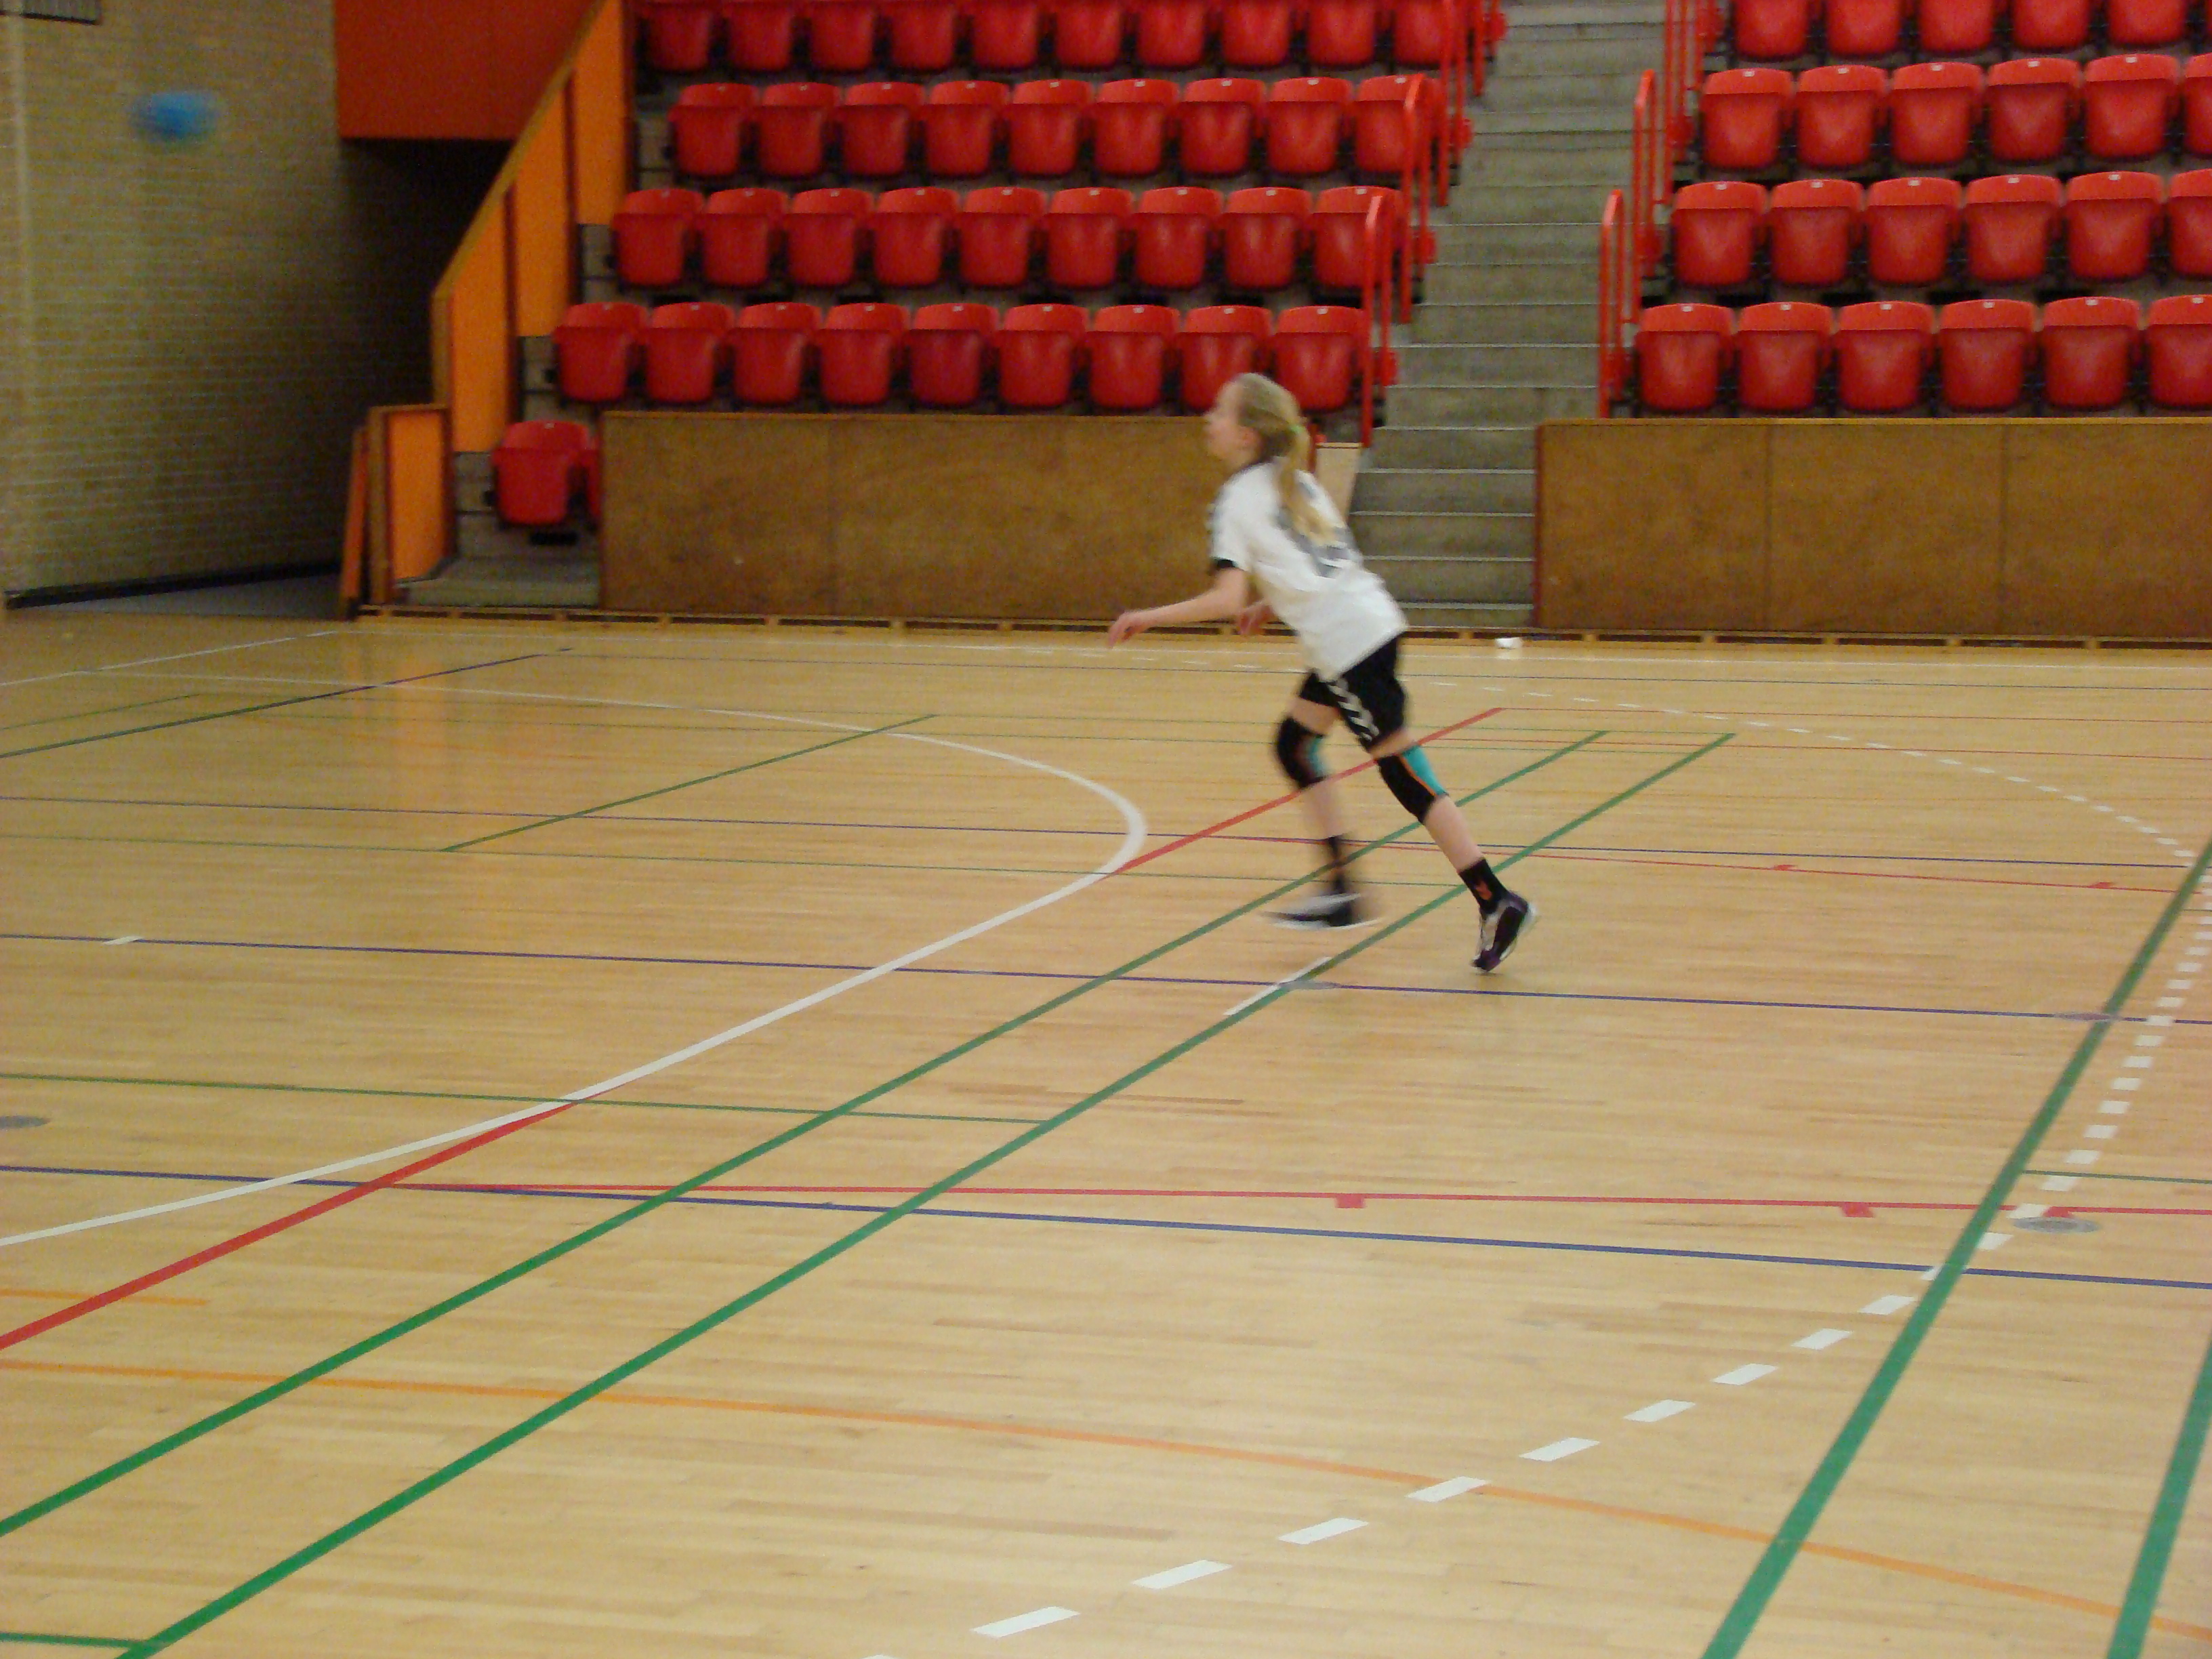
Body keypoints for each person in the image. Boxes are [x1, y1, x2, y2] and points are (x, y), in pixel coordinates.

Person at [1107, 373, 1533, 972]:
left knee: (1405, 773)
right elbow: (1319, 565)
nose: (1208, 419)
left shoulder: (1237, 499)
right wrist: (1270, 601)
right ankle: (1342, 887)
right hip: (1366, 625)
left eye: (1219, 411)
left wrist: (1148, 617)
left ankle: (1494, 897)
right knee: (1295, 744)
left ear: (1247, 434)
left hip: (1348, 646)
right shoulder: (1296, 480)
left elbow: (1226, 598)